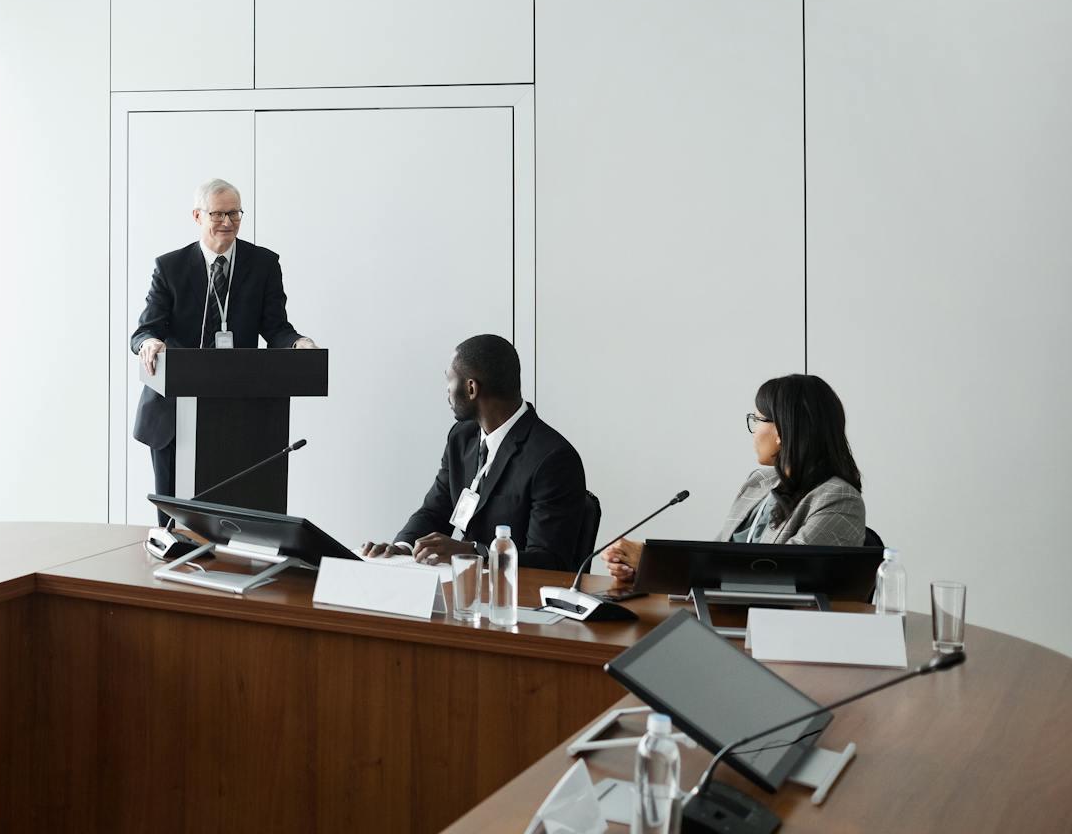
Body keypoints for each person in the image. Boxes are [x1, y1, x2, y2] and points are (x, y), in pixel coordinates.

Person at [129, 178, 318, 511]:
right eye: (218, 214)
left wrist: (298, 344)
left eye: (235, 214)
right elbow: (145, 331)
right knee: (175, 521)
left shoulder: (263, 264)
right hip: (174, 413)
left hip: (240, 413)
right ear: (197, 216)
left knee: (235, 515)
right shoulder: (170, 267)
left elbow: (276, 329)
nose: (228, 223)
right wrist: (150, 343)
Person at [602, 373, 866, 585]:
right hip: (726, 619)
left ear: (783, 431)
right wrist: (644, 572)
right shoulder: (759, 483)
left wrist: (653, 560)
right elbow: (716, 558)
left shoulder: (838, 499)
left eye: (758, 419)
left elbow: (781, 578)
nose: (753, 431)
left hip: (782, 637)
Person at [360, 334, 590, 571]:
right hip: (465, 589)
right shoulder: (462, 437)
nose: (446, 392)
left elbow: (548, 561)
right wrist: (403, 548)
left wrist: (472, 552)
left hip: (516, 599)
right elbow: (435, 510)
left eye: (449, 381)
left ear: (471, 388)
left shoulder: (553, 458)